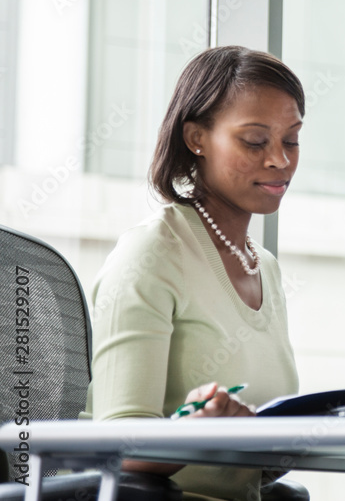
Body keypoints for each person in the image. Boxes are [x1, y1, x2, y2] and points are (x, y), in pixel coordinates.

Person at [81, 45, 305, 500]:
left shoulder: (267, 268)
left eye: (292, 139)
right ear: (196, 138)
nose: (280, 160)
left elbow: (250, 468)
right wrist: (199, 428)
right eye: (256, 141)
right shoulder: (153, 253)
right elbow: (116, 445)